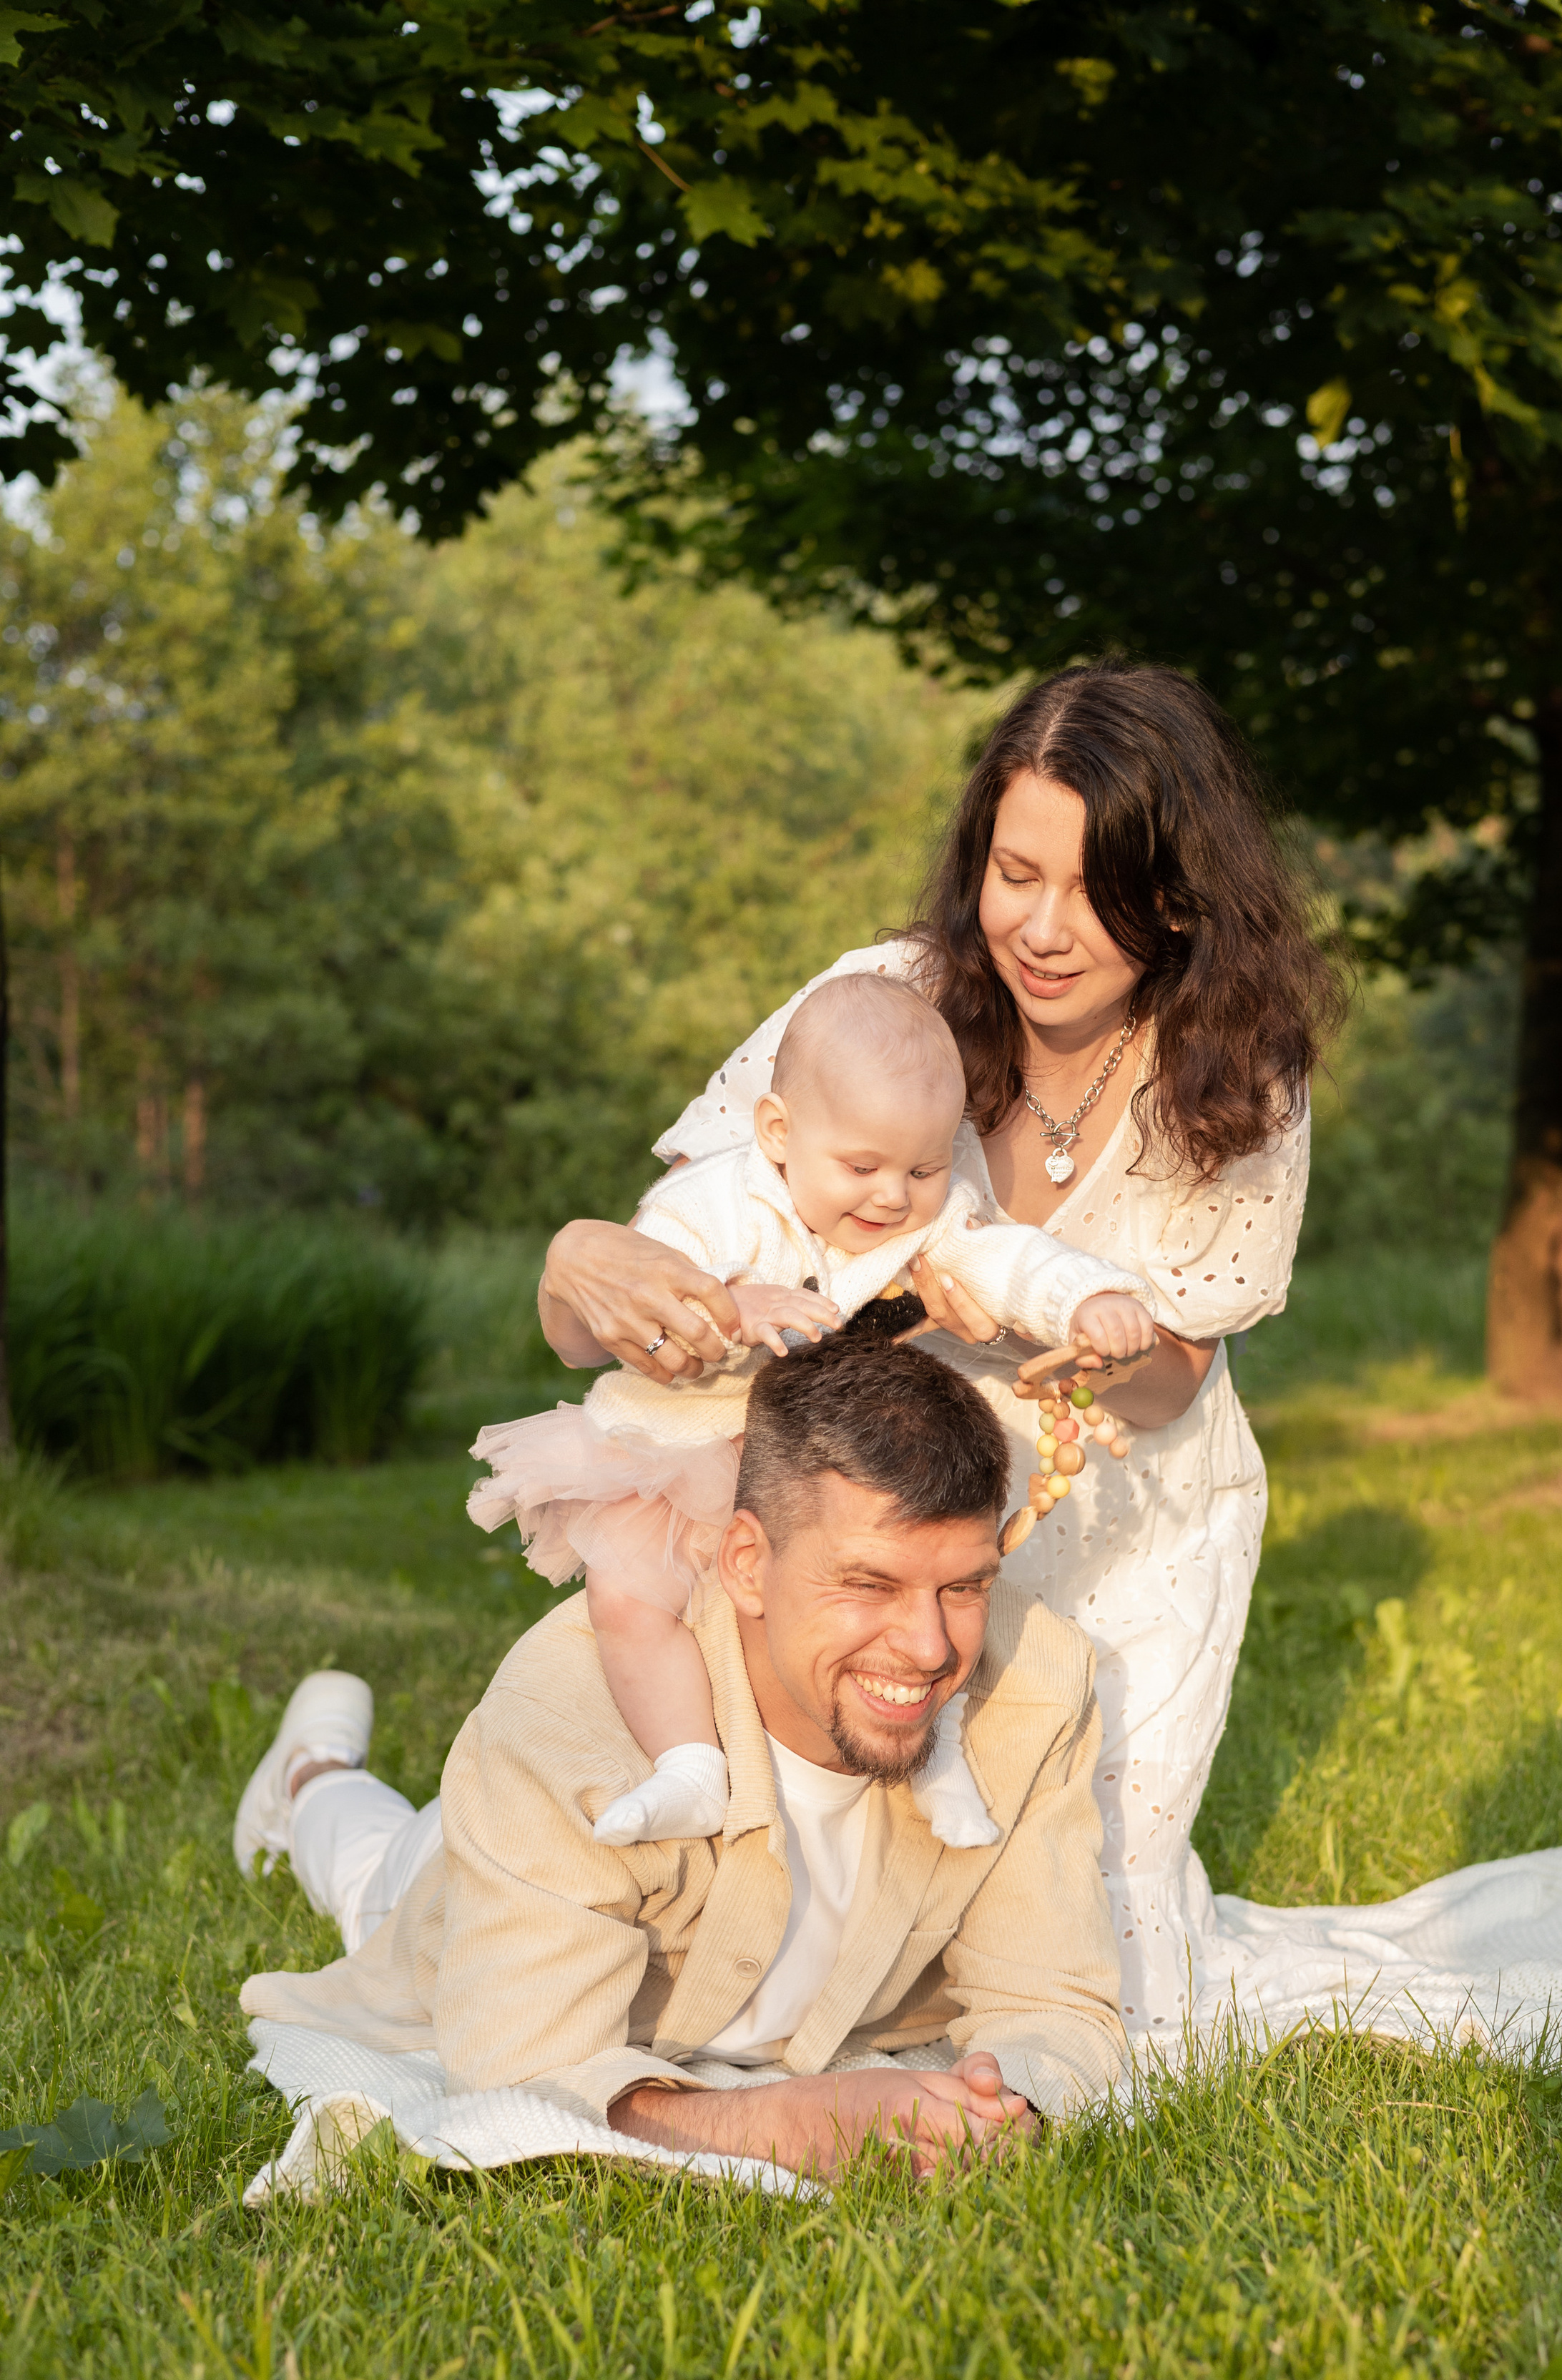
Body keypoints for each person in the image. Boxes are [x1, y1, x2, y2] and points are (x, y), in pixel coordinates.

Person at [535, 662, 1345, 2037]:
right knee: (733, 1949)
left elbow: (1173, 1382)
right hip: (874, 1503)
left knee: (1084, 1980)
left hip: (1115, 1509)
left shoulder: (1236, 1068)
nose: (1040, 927)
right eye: (1013, 872)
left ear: (1181, 895)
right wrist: (576, 1262)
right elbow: (665, 1277)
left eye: (1094, 890)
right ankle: (327, 1795)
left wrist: (1073, 1332)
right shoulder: (887, 1002)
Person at [236, 1339, 1129, 2180]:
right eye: (868, 1584)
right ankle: (312, 1776)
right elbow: (527, 2075)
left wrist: (999, 2110)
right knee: (378, 1877)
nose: (931, 1647)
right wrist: (787, 2122)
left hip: (562, 1857)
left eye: (964, 1586)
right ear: (745, 1562)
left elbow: (1052, 2005)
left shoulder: (1036, 1685)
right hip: (476, 1877)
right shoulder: (567, 1719)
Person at [461, 971, 1156, 1857]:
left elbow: (1005, 1260)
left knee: (885, 1610)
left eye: (924, 1167)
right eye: (861, 1167)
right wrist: (728, 1305)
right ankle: (688, 1768)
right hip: (677, 1443)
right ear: (779, 1134)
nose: (891, 1198)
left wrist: (1085, 1299)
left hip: (805, 1457)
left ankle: (935, 1760)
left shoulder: (926, 1217)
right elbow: (656, 1282)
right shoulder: (720, 1201)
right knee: (631, 1602)